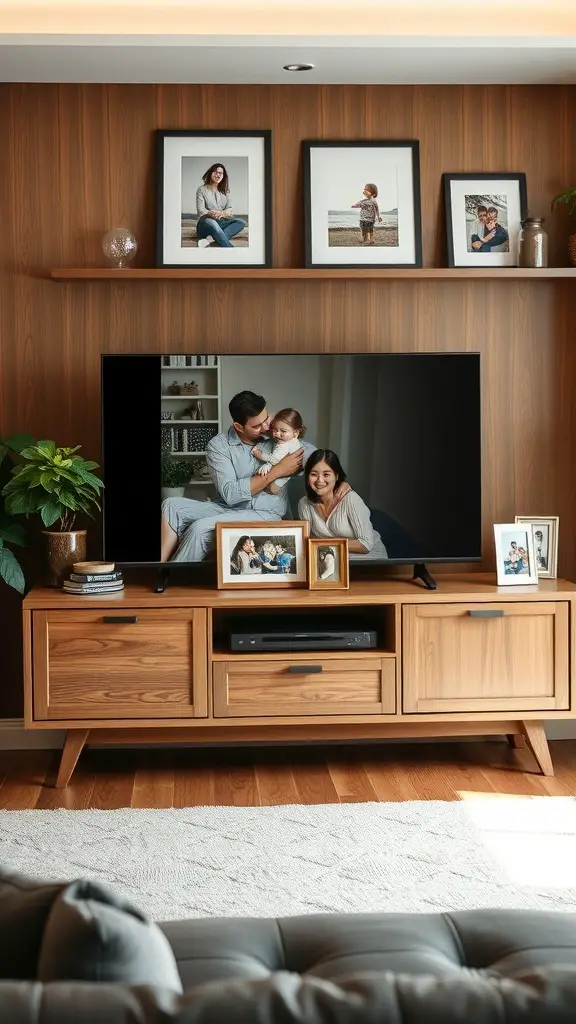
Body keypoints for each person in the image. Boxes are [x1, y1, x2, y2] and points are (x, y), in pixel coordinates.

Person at [161, 391, 317, 562]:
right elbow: (230, 494)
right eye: (257, 426)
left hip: (264, 511)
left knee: (199, 528)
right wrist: (278, 470)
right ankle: (159, 568)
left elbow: (310, 453)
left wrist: (334, 479)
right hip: (226, 507)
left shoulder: (278, 436)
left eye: (266, 419)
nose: (266, 427)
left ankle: (174, 578)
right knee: (170, 505)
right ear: (238, 427)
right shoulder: (219, 445)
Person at [297, 449, 388, 559]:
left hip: (370, 562)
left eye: (326, 474)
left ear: (336, 476)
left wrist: (323, 543)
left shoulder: (350, 499)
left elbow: (366, 544)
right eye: (314, 474)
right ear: (307, 477)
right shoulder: (304, 504)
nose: (320, 480)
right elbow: (307, 542)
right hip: (333, 563)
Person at [195, 163, 246, 249]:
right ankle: (231, 250)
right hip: (205, 224)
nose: (218, 175)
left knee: (241, 222)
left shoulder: (226, 192)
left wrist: (221, 213)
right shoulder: (202, 190)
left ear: (223, 176)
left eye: (220, 173)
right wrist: (211, 213)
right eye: (215, 172)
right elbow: (201, 210)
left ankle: (209, 240)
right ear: (210, 173)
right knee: (213, 223)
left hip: (221, 222)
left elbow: (230, 209)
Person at [252, 409, 306, 489]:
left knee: (269, 486)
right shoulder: (293, 440)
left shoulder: (283, 445)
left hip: (281, 478)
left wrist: (259, 454)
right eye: (275, 430)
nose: (277, 434)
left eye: (283, 431)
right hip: (286, 472)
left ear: (296, 433)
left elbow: (274, 460)